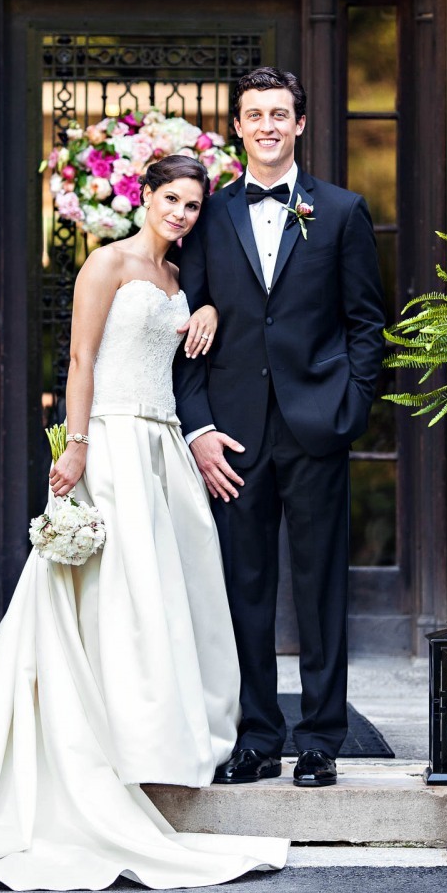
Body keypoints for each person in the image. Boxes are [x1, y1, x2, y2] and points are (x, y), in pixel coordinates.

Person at [0, 154, 289, 891]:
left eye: (194, 206)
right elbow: (78, 359)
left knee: (168, 602)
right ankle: (99, 744)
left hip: (163, 448)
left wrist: (202, 310)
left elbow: (190, 352)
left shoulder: (181, 282)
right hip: (110, 440)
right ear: (145, 196)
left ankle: (155, 739)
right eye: (171, 200)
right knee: (111, 596)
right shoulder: (106, 265)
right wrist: (76, 447)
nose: (181, 214)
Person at [174, 68, 385, 790]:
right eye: (254, 114)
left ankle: (322, 737)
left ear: (299, 125)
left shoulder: (343, 211)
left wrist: (349, 409)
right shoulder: (209, 216)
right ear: (237, 126)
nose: (266, 125)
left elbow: (366, 323)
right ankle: (257, 736)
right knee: (243, 591)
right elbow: (186, 329)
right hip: (232, 438)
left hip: (316, 427)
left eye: (279, 114)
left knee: (322, 588)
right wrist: (198, 428)